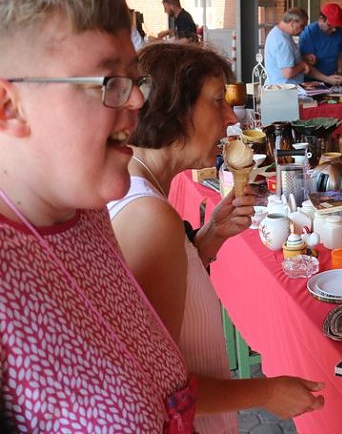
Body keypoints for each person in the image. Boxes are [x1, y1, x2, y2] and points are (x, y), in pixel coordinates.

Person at [0, 0, 195, 430]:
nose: (138, 100)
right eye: (109, 80)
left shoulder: (84, 212)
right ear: (9, 104)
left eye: (134, 78)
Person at [109, 42, 325, 432]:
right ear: (175, 109)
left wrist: (205, 242)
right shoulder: (147, 216)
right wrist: (266, 392)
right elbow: (158, 385)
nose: (230, 118)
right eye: (216, 101)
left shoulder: (142, 193)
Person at [299, 2, 342, 86]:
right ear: (321, 19)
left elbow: (340, 53)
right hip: (312, 82)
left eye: (336, 26)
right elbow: (305, 65)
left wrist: (339, 71)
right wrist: (327, 79)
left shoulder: (339, 32)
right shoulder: (309, 33)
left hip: (332, 79)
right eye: (330, 25)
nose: (334, 29)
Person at [264, 7, 309, 85]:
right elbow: (288, 73)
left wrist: (304, 58)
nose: (303, 29)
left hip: (277, 85)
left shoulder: (276, 32)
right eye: (302, 26)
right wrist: (302, 65)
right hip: (284, 89)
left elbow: (284, 59)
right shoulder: (283, 41)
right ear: (293, 24)